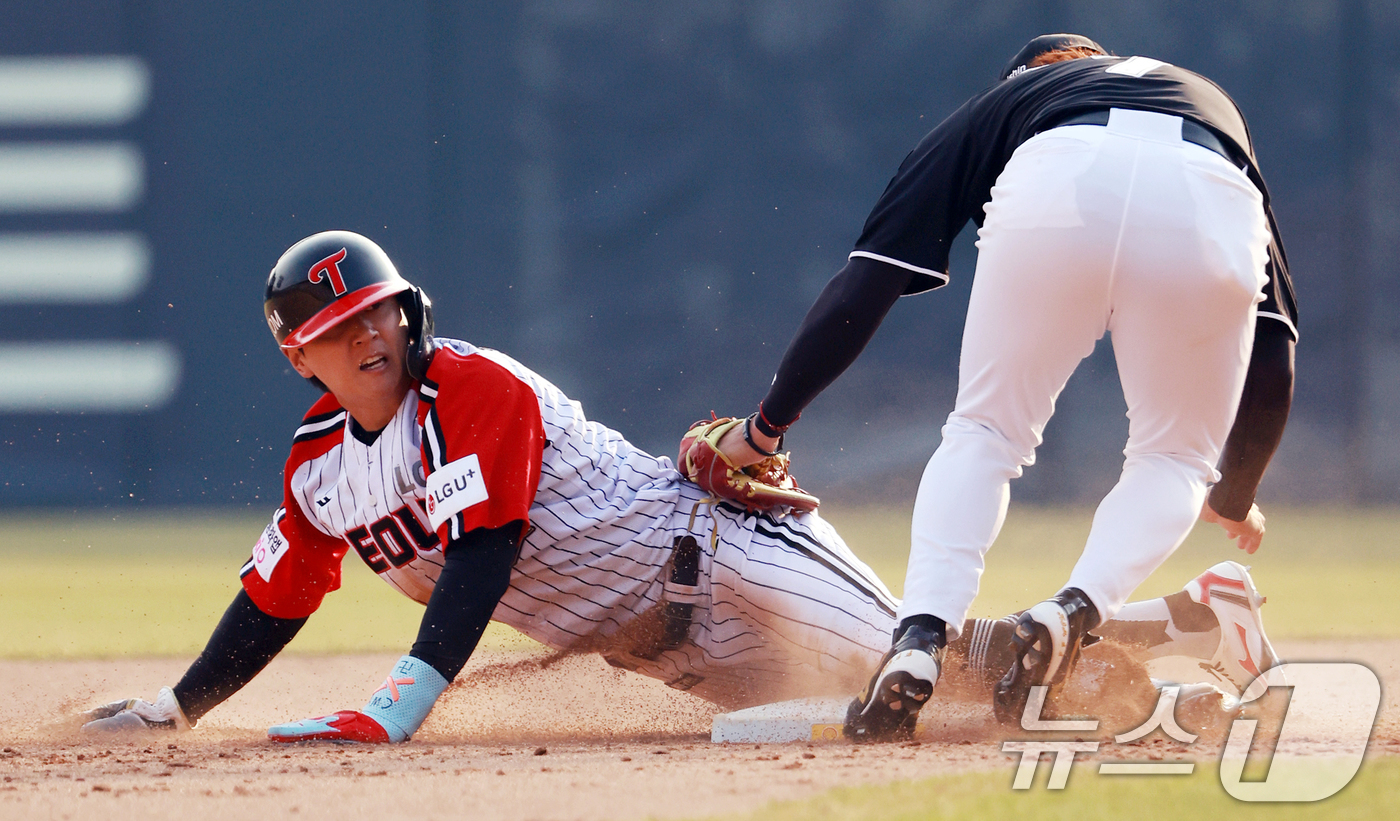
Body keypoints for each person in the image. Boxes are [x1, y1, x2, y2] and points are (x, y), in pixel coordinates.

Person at [82, 230, 1280, 742]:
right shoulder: (318, 471)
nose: (372, 338)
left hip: (723, 556)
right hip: (660, 646)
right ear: (301, 357)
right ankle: (1188, 616)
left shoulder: (473, 385)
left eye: (380, 311)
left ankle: (1177, 635)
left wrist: (401, 700)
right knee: (956, 680)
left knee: (941, 681)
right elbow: (279, 591)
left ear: (409, 310)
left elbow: (488, 544)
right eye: (341, 329)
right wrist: (185, 703)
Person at [705, 34, 1297, 740]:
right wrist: (1235, 493)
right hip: (1207, 195)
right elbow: (1275, 344)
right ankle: (1072, 612)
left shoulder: (1004, 104)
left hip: (1057, 184)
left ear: (1021, 81)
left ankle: (919, 640)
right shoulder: (1207, 101)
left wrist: (766, 426)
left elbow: (867, 281)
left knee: (985, 433)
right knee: (1174, 461)